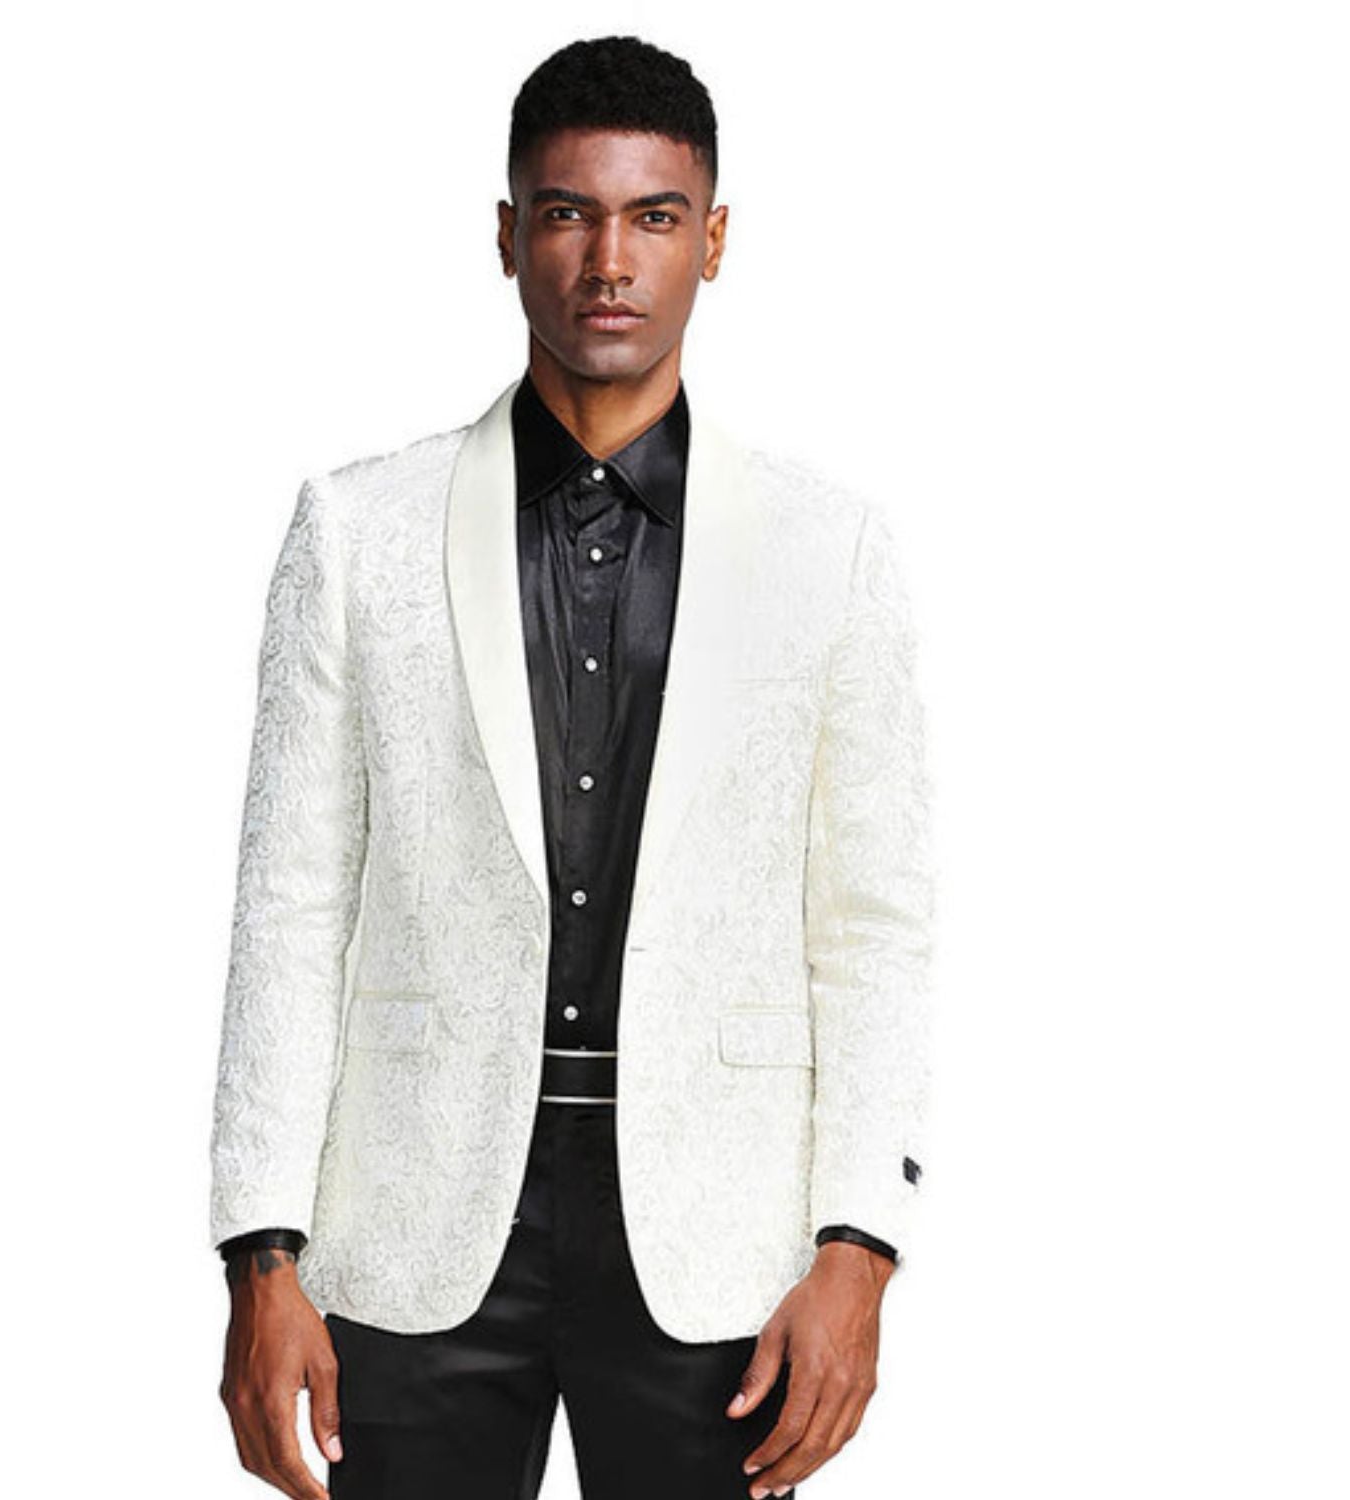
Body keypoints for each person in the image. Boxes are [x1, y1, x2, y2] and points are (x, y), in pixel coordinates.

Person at [209, 33, 934, 1500]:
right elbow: (288, 909)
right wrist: (259, 1253)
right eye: (567, 213)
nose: (610, 260)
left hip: (715, 1234)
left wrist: (860, 1245)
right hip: (415, 1219)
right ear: (507, 236)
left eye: (654, 216)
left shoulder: (830, 550)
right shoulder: (357, 532)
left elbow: (874, 926)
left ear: (711, 240)